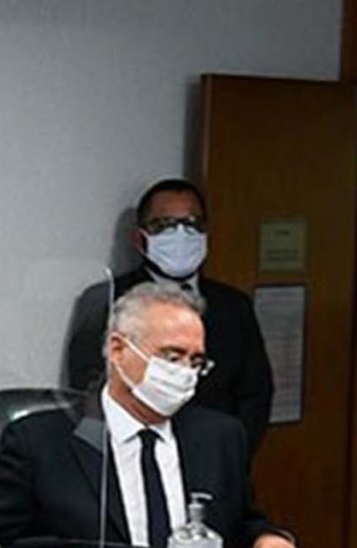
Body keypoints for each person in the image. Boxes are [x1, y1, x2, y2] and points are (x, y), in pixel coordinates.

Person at [0, 281, 311, 548]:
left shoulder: (219, 436)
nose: (185, 372)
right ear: (117, 349)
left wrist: (267, 538)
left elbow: (241, 523)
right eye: (172, 357)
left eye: (196, 361)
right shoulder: (41, 441)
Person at [63, 178, 276, 457]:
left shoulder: (233, 306)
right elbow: (87, 389)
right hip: (130, 459)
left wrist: (229, 457)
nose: (181, 234)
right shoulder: (108, 300)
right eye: (164, 225)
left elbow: (255, 394)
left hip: (215, 460)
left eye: (192, 224)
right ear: (140, 239)